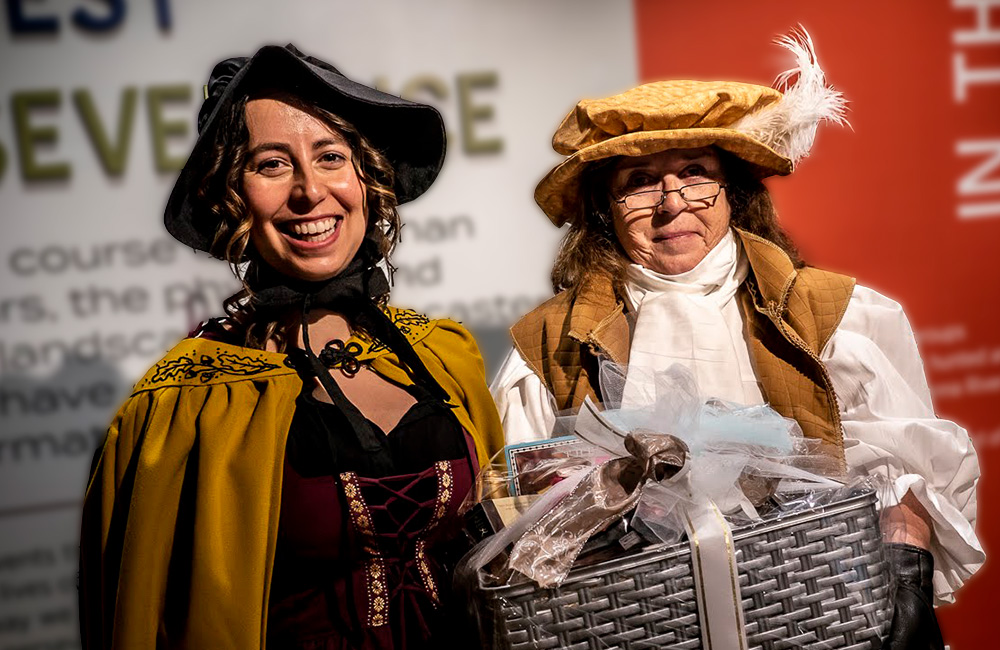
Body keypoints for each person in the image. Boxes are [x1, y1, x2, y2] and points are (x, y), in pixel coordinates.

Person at [490, 32, 982, 649]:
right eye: (640, 182)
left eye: (696, 174)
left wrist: (903, 579)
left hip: (819, 614)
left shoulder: (830, 312)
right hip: (641, 627)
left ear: (732, 192)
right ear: (603, 209)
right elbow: (527, 516)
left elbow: (902, 467)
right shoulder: (547, 343)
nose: (673, 204)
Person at [79, 44, 504, 650]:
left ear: (367, 178)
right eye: (272, 165)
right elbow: (138, 622)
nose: (309, 191)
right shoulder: (183, 408)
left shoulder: (444, 357)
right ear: (231, 194)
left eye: (331, 157)